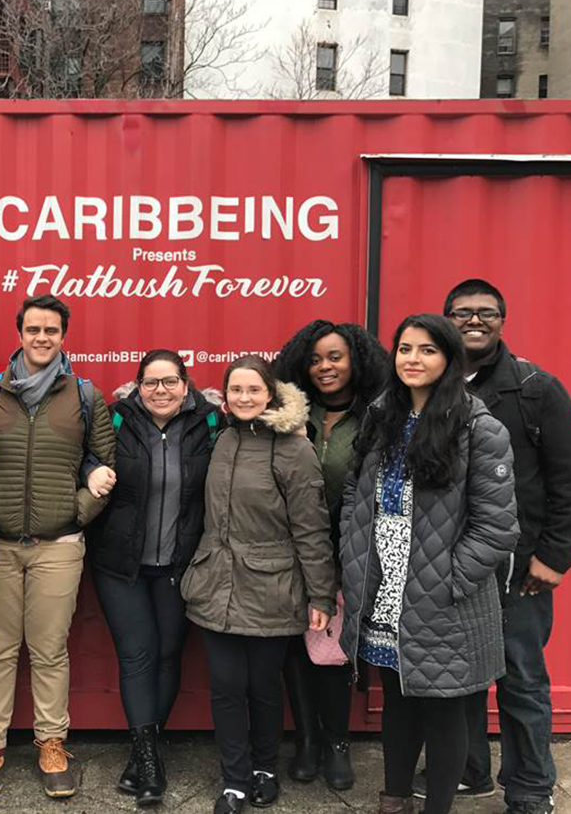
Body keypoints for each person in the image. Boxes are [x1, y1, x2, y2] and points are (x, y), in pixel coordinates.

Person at [339, 314, 520, 814]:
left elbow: (498, 527)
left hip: (443, 598)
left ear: (449, 359)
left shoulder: (479, 428)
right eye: (405, 349)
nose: (412, 359)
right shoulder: (382, 417)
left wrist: (450, 580)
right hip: (385, 590)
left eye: (426, 350)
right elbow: (355, 491)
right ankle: (394, 798)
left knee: (444, 714)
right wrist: (353, 553)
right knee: (398, 703)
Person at [439, 280, 571, 814]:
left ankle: (529, 787)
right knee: (459, 678)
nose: (474, 321)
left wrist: (556, 556)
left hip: (518, 569)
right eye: (462, 313)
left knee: (521, 678)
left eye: (487, 313)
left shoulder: (534, 388)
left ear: (502, 321)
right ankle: (469, 771)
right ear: (446, 320)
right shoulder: (430, 384)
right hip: (451, 566)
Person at [0, 294, 117, 799]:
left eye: (51, 330)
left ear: (63, 336)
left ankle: (52, 743)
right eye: (33, 329)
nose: (42, 337)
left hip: (59, 545)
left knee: (50, 650)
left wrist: (77, 511)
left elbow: (105, 462)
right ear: (20, 334)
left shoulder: (85, 395)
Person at [181, 355, 336, 814]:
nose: (244, 398)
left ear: (270, 394)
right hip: (216, 584)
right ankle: (234, 779)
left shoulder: (294, 449)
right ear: (225, 396)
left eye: (253, 390)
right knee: (226, 686)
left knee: (264, 686)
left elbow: (312, 527)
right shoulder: (222, 439)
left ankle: (265, 768)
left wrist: (320, 594)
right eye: (236, 390)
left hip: (272, 586)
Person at [87, 349, 219, 807]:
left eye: (169, 382)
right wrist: (91, 471)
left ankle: (142, 754)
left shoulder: (210, 422)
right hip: (120, 564)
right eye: (150, 382)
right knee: (138, 655)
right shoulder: (116, 419)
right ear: (137, 386)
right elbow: (83, 456)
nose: (160, 391)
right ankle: (149, 764)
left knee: (168, 654)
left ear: (186, 384)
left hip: (180, 564)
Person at [273, 321, 390, 790]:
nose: (324, 367)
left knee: (334, 650)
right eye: (316, 359)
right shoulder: (290, 414)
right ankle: (306, 740)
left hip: (347, 553)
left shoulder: (376, 416)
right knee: (293, 648)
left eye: (335, 357)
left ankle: (337, 742)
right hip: (290, 551)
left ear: (356, 361)